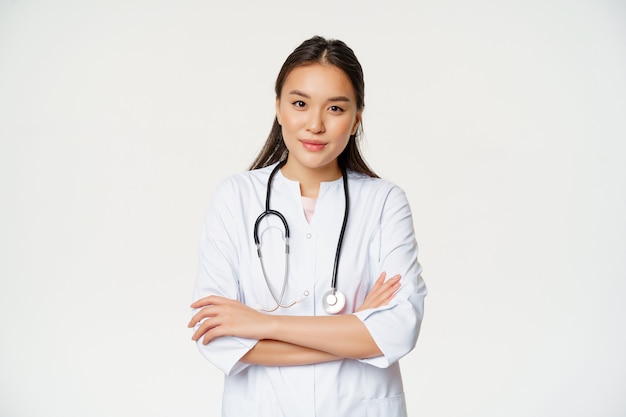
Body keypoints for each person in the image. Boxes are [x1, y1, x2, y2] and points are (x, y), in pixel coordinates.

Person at [188, 35, 427, 417]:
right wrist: (355, 331)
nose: (315, 124)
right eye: (300, 103)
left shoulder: (384, 202)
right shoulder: (235, 197)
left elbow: (398, 332)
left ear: (355, 120)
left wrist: (261, 324)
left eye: (335, 108)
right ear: (279, 108)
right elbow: (216, 338)